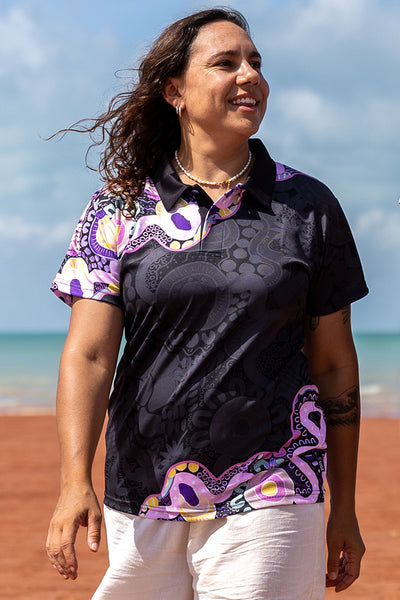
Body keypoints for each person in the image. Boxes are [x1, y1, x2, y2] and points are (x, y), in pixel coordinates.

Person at [46, 8, 368, 600]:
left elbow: (334, 366)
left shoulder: (309, 207)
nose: (250, 75)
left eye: (256, 63)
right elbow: (89, 356)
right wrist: (74, 481)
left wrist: (342, 506)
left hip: (274, 487)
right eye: (225, 63)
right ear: (175, 91)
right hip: (141, 491)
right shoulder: (118, 208)